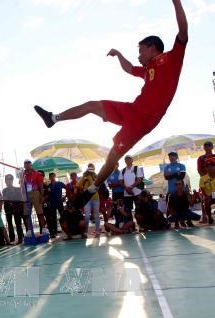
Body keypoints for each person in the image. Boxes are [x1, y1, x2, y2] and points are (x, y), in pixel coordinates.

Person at [34, 0, 188, 209]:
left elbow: (183, 31)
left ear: (153, 48)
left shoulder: (172, 59)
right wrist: (118, 54)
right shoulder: (147, 68)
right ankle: (53, 118)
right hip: (132, 109)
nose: (139, 55)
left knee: (113, 156)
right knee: (92, 105)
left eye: (141, 50)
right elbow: (129, 69)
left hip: (144, 120)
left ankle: (91, 189)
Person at [20, 160, 48, 235]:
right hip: (26, 194)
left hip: (35, 193)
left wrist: (42, 196)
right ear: (24, 165)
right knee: (26, 214)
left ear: (31, 165)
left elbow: (41, 185)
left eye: (28, 164)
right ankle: (29, 230)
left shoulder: (37, 174)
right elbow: (22, 186)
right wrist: (22, 196)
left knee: (40, 212)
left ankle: (44, 228)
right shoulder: (22, 175)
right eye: (25, 164)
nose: (27, 165)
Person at [77, 164, 101, 237]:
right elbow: (78, 185)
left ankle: (97, 231)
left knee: (96, 215)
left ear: (94, 168)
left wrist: (89, 177)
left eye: (91, 168)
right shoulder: (85, 176)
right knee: (87, 216)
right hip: (87, 199)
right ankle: (85, 231)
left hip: (95, 198)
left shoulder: (97, 176)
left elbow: (94, 185)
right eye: (89, 168)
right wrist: (84, 177)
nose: (90, 170)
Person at [197, 141, 214, 223]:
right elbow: (199, 170)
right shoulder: (201, 158)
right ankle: (205, 216)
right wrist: (205, 179)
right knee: (203, 198)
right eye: (205, 146)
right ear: (204, 148)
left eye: (209, 145)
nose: (207, 147)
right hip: (205, 182)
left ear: (212, 147)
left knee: (212, 197)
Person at [46, 172, 67, 238]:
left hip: (59, 202)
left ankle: (66, 229)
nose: (52, 177)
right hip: (52, 203)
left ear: (55, 176)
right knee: (53, 218)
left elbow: (68, 188)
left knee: (63, 215)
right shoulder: (48, 186)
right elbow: (47, 194)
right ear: (49, 178)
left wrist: (65, 197)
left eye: (53, 176)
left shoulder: (59, 183)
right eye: (51, 176)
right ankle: (54, 232)